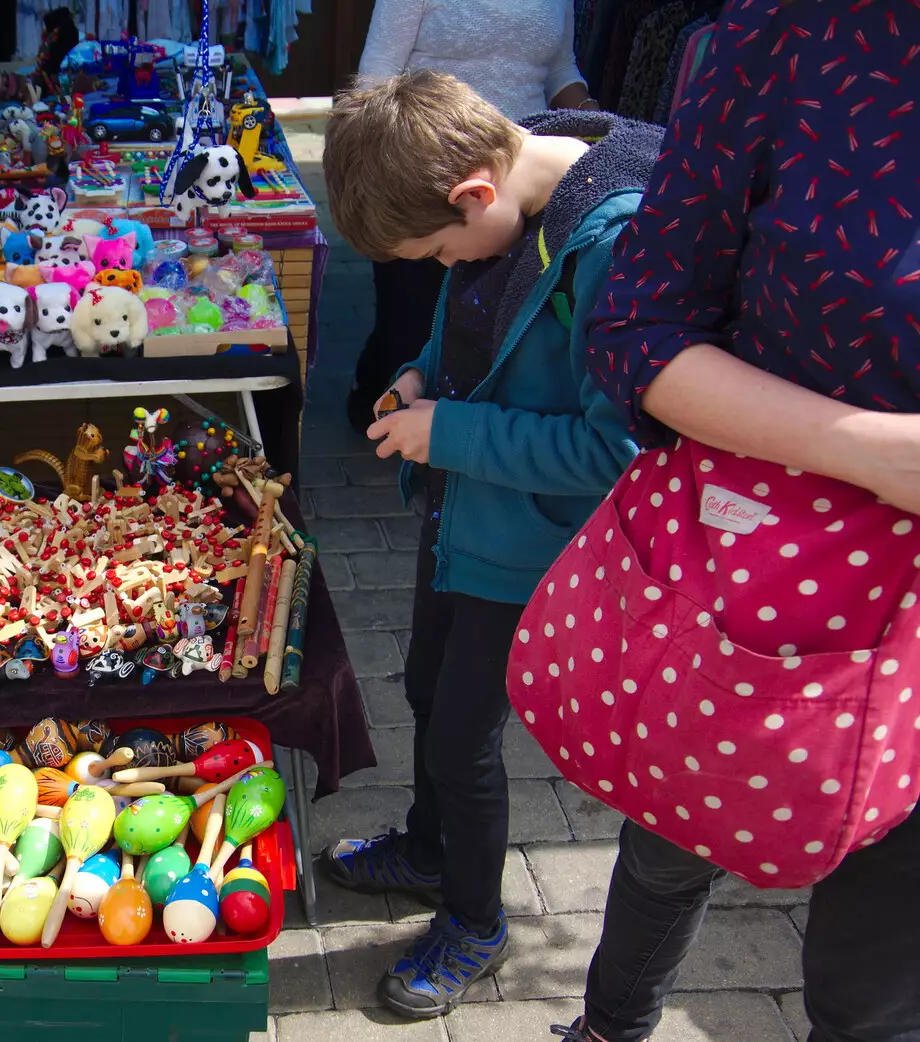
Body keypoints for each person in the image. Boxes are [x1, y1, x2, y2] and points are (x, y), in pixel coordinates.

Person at [554, 2, 920, 1039]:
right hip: (775, 598)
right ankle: (609, 1022)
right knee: (671, 846)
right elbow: (636, 328)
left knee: (871, 1004)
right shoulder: (794, 34)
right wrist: (868, 450)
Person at [320, 70, 653, 1018]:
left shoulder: (609, 240)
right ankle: (431, 851)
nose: (438, 266)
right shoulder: (508, 187)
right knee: (427, 688)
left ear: (473, 192)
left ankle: (474, 921)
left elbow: (615, 450)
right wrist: (422, 376)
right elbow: (469, 320)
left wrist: (450, 435)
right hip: (466, 516)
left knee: (466, 734)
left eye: (435, 249)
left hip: (530, 548)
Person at [346, 0, 597, 435]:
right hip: (427, 183)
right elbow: (375, 82)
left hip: (515, 186)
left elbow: (561, 69)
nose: (448, 263)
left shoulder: (597, 235)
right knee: (416, 319)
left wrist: (597, 126)